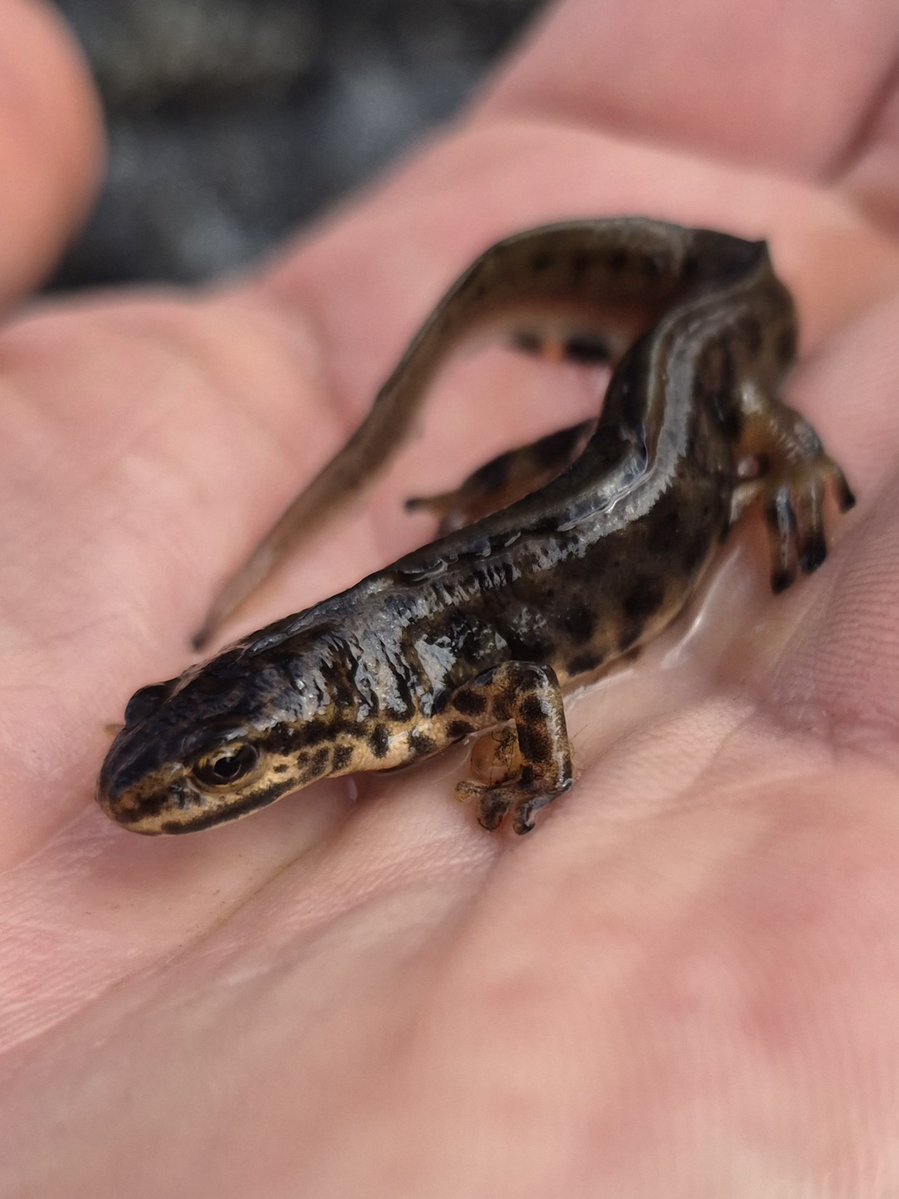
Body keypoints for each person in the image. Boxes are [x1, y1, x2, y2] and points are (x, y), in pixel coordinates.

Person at [3, 0, 899, 1193]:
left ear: (308, 732)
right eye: (203, 753)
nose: (183, 781)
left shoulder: (410, 690)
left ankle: (732, 421)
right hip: (594, 472)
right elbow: (500, 659)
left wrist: (532, 767)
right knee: (601, 452)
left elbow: (524, 675)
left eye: (218, 767)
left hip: (685, 417)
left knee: (668, 422)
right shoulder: (370, 689)